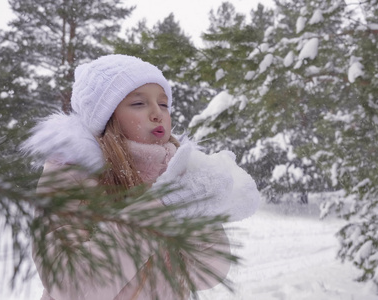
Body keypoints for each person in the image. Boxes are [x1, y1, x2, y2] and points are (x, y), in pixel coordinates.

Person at [22, 54, 261, 300]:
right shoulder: (71, 176)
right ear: (106, 118)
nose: (157, 113)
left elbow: (206, 274)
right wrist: (159, 210)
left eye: (164, 104)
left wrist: (200, 212)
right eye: (139, 104)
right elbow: (72, 286)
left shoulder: (174, 174)